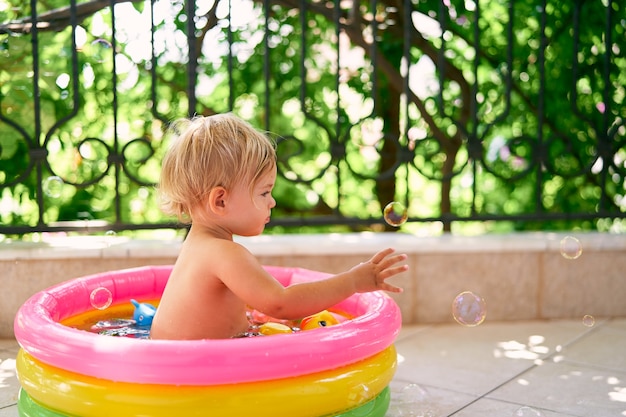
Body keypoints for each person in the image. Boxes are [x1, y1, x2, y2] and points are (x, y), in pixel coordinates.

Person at [150, 113, 408, 340]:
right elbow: (282, 304)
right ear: (220, 200)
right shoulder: (225, 252)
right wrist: (352, 281)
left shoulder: (197, 246)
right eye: (264, 192)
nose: (272, 201)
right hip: (200, 375)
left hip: (173, 365)